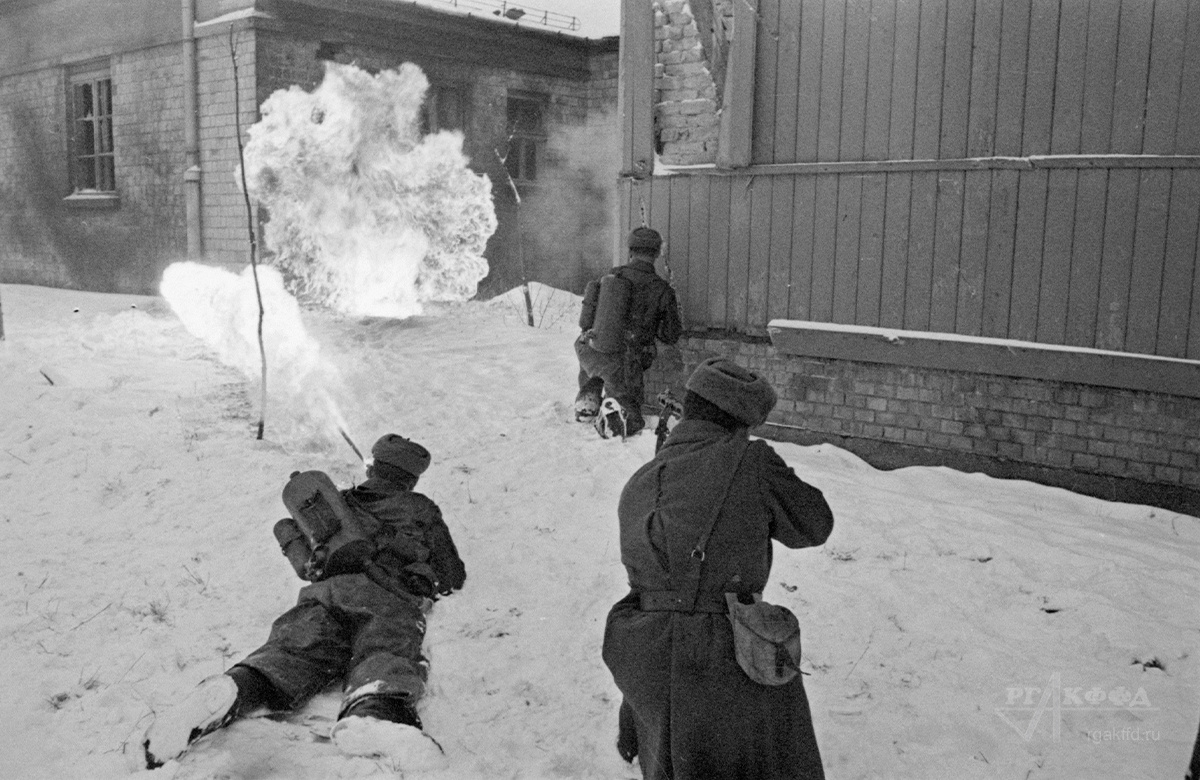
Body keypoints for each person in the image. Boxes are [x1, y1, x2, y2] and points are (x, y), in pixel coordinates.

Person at [143, 433, 466, 770]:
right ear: (412, 479)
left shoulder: (336, 504)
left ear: (372, 467)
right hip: (384, 597)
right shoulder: (419, 508)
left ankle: (236, 688)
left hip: (323, 595)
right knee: (384, 650)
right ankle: (376, 713)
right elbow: (452, 575)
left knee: (289, 653)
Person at [601, 357, 835, 779]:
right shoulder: (750, 460)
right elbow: (815, 524)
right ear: (738, 424)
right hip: (720, 660)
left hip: (644, 655)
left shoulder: (639, 479)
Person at [575, 226, 682, 438]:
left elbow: (587, 321)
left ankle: (590, 396)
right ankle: (614, 412)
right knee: (630, 417)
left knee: (599, 363)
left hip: (589, 351)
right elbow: (670, 335)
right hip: (626, 362)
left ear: (630, 250)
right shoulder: (661, 289)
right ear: (657, 253)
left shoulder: (613, 275)